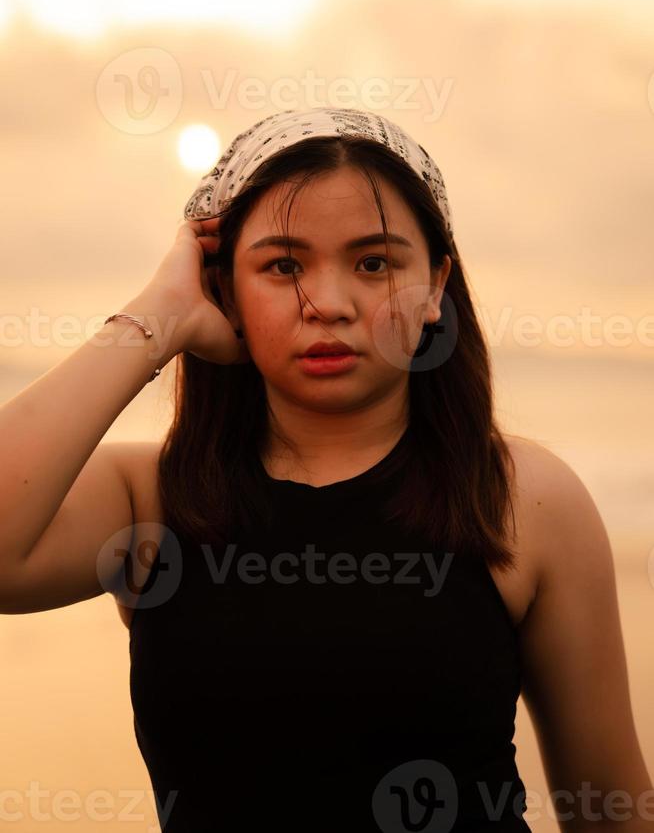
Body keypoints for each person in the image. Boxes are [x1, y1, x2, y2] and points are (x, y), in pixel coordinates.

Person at [0, 108, 650, 833]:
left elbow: (612, 808)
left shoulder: (521, 499)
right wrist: (161, 313)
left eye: (374, 263)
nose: (330, 305)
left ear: (435, 285)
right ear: (224, 288)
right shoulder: (151, 503)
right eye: (283, 266)